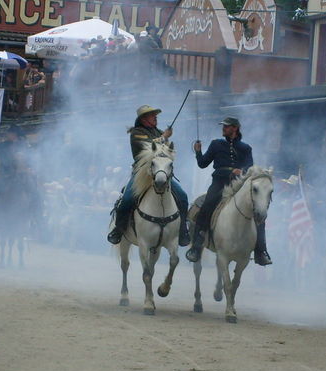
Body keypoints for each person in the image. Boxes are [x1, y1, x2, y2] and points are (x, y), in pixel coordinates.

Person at [185, 117, 272, 266]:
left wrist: (241, 171)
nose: (223, 129)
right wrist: (198, 152)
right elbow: (202, 164)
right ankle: (197, 247)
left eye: (226, 126)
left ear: (235, 128)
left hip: (238, 185)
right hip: (219, 183)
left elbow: (249, 169)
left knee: (258, 212)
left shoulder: (246, 148)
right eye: (223, 126)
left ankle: (260, 251)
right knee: (207, 206)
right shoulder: (216, 144)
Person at [107, 105, 190, 246]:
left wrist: (166, 140)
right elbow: (147, 147)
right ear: (144, 119)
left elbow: (166, 153)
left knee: (182, 196)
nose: (155, 117)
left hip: (160, 172)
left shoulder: (158, 132)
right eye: (152, 115)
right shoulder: (137, 133)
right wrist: (164, 137)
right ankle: (118, 230)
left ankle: (182, 230)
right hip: (142, 174)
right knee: (126, 200)